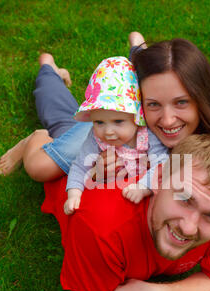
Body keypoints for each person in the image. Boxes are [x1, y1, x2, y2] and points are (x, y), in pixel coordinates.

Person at [0, 33, 210, 213]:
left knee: (66, 122)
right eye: (153, 104)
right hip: (120, 126)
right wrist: (95, 173)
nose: (168, 119)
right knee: (42, 164)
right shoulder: (123, 118)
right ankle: (38, 132)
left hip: (125, 126)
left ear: (201, 97)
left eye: (182, 103)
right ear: (141, 103)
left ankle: (136, 49)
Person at [41, 133, 210, 291]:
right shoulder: (99, 225)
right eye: (185, 199)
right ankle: (35, 138)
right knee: (52, 143)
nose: (189, 227)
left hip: (125, 149)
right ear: (158, 180)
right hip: (69, 171)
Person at [64, 56, 168, 215]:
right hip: (114, 195)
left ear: (136, 117)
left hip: (138, 190)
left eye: (118, 121)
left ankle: (139, 51)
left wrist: (143, 187)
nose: (108, 131)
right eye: (99, 122)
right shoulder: (95, 138)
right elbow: (79, 165)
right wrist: (74, 194)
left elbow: (162, 162)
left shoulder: (146, 134)